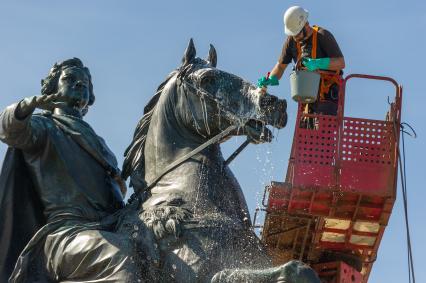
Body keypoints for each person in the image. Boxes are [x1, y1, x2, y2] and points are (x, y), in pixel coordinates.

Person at [0, 58, 158, 282]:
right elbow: (8, 129)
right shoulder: (43, 127)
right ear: (53, 87)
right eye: (69, 79)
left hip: (107, 229)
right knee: (119, 256)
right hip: (66, 234)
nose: (79, 84)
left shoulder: (102, 146)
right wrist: (30, 103)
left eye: (84, 82)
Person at [258, 6, 345, 116]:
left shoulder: (322, 36)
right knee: (306, 131)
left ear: (306, 25)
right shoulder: (291, 41)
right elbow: (280, 66)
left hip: (327, 97)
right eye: (292, 34)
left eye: (297, 33)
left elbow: (341, 63)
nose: (295, 37)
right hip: (306, 98)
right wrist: (271, 78)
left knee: (321, 130)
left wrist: (318, 63)